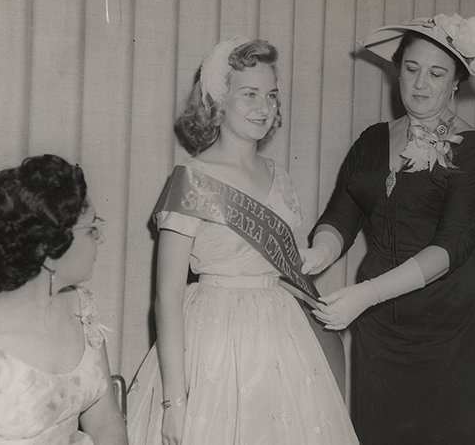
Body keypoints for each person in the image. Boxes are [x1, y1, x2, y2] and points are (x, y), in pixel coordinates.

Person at [126, 37, 358, 445]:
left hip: (282, 336)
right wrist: (175, 402)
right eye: (249, 94)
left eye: (271, 95)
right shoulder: (192, 179)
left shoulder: (280, 176)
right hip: (213, 339)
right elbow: (167, 297)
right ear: (217, 100)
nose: (264, 107)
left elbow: (282, 269)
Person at [302, 14, 475, 445]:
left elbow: (451, 247)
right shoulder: (372, 140)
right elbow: (341, 216)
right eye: (411, 69)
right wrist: (316, 255)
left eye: (437, 73)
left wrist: (367, 293)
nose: (420, 83)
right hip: (383, 322)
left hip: (451, 315)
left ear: (457, 82)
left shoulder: (474, 150)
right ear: (398, 70)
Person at [0, 155, 128, 445]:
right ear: (50, 248)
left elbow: (104, 420)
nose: (99, 238)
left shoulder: (81, 307)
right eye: (91, 228)